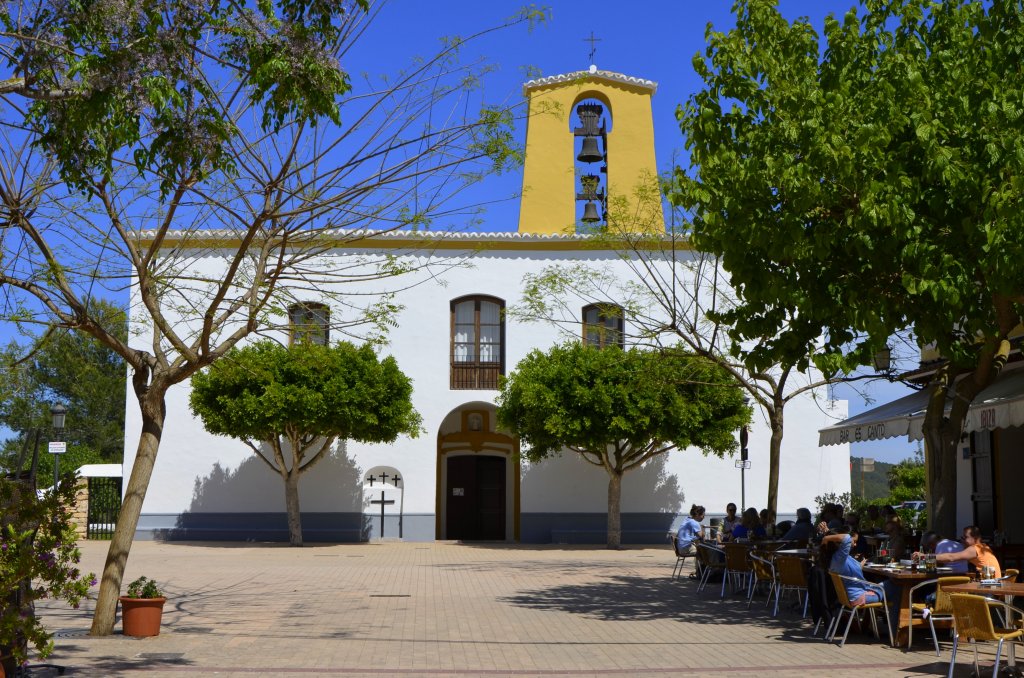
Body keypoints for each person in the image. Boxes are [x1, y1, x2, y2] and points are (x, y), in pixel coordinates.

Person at [822, 525, 898, 631]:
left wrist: (859, 566)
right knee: (896, 587)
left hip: (854, 595)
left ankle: (873, 626)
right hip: (859, 596)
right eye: (854, 541)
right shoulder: (840, 557)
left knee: (888, 584)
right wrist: (827, 538)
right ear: (838, 543)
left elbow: (846, 570)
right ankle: (896, 630)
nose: (854, 544)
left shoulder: (834, 558)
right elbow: (847, 538)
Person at [924, 525, 1001, 577]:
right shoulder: (984, 546)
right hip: (993, 582)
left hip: (990, 587)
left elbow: (951, 557)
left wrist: (925, 556)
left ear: (976, 538)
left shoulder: (974, 549)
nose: (962, 540)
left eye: (966, 537)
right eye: (962, 537)